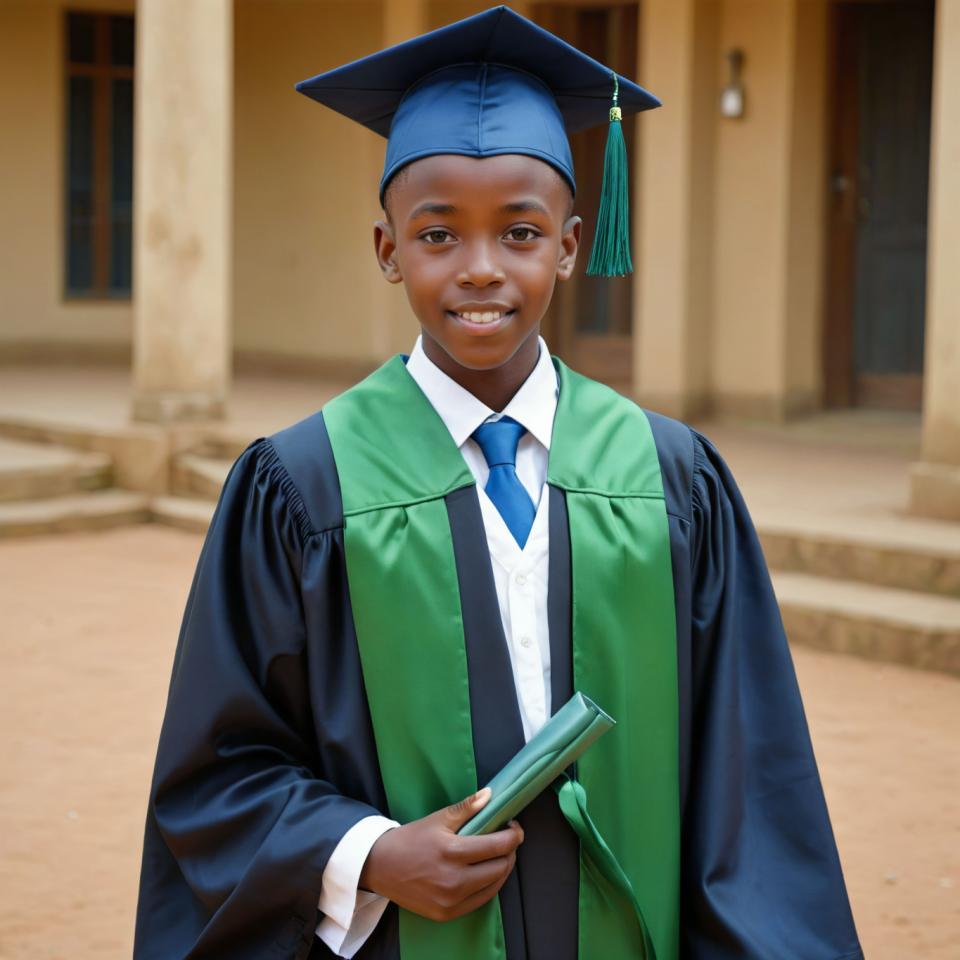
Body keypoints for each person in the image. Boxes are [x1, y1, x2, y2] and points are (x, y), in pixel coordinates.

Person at [133, 7, 864, 960]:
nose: (481, 269)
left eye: (519, 232)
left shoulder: (670, 478)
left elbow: (751, 781)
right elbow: (218, 769)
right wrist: (369, 854)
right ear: (388, 249)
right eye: (438, 236)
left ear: (568, 244)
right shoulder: (303, 488)